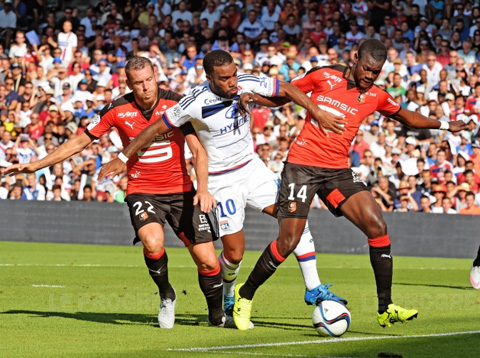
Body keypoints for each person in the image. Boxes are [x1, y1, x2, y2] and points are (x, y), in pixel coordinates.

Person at [232, 39, 473, 330]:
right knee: (289, 241)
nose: (371, 76)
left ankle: (386, 308)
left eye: (377, 72)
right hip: (302, 167)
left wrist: (446, 126)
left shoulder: (376, 95)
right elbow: (286, 94)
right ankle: (244, 296)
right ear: (356, 58)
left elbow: (407, 117)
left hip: (337, 171)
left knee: (377, 227)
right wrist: (254, 99)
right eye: (368, 69)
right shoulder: (324, 76)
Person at [98, 50, 347, 326]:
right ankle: (229, 295)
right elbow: (155, 128)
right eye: (225, 78)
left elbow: (286, 89)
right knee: (234, 253)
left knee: (295, 215)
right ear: (209, 78)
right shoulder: (193, 102)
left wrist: (317, 113)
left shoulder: (245, 82)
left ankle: (313, 287)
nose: (232, 83)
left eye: (234, 75)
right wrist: (123, 157)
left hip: (252, 168)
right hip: (221, 181)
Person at [5, 56, 225, 328]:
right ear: (128, 84)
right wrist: (36, 166)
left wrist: (203, 188)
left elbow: (198, 150)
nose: (145, 87)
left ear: (155, 75)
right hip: (142, 190)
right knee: (153, 243)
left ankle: (217, 315)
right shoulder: (117, 109)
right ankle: (167, 294)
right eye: (138, 83)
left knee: (207, 261)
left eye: (148, 80)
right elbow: (78, 143)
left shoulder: (178, 104)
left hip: (182, 190)